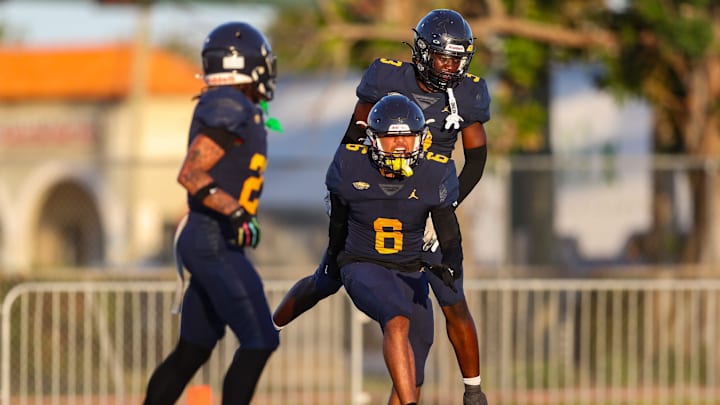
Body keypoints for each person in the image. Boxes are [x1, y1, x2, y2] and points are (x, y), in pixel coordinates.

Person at [272, 9, 489, 405]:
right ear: (423, 52)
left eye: (458, 58)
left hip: (427, 195)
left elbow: (475, 159)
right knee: (328, 275)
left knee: (451, 294)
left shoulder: (468, 95)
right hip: (379, 186)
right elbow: (356, 134)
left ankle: (473, 390)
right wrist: (345, 181)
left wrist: (447, 201)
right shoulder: (387, 77)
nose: (450, 66)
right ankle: (271, 328)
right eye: (444, 57)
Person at [143, 21, 279, 405]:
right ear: (246, 64)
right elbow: (191, 172)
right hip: (211, 239)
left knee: (194, 349)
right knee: (260, 339)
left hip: (211, 239)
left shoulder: (237, 107)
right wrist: (235, 211)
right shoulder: (229, 105)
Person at [326, 93, 462, 405]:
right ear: (373, 140)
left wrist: (451, 262)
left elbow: (449, 233)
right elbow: (338, 224)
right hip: (363, 262)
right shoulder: (351, 164)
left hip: (409, 271)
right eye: (391, 138)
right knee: (397, 319)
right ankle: (273, 326)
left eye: (407, 138)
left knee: (414, 372)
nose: (400, 146)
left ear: (421, 139)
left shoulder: (434, 172)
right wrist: (332, 265)